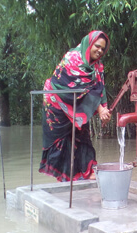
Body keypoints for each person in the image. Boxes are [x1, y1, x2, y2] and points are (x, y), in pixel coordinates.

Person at [39, 30, 111, 182]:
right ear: (89, 44)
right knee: (64, 140)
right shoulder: (73, 59)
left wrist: (104, 109)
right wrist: (99, 108)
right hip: (57, 103)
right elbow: (77, 89)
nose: (99, 51)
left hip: (77, 107)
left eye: (103, 49)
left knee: (81, 135)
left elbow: (99, 88)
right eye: (97, 46)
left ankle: (86, 172)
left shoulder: (97, 66)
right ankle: (67, 176)